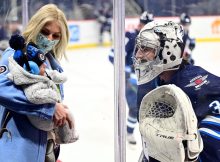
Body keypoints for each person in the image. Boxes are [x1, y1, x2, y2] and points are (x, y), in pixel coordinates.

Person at [133, 20, 220, 162]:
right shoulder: (153, 82)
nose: (138, 55)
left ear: (168, 51)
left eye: (145, 48)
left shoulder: (192, 88)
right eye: (138, 48)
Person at [0, 4, 71, 162]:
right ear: (35, 27)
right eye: (45, 32)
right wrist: (48, 109)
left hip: (45, 150)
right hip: (17, 151)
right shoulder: (15, 56)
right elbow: (1, 89)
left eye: (56, 35)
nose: (49, 39)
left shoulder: (54, 65)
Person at [6, 37, 78, 147]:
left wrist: (60, 76)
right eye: (41, 65)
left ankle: (62, 136)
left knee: (65, 112)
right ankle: (67, 137)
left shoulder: (38, 73)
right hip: (41, 120)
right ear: (31, 68)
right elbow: (33, 96)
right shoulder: (31, 84)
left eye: (55, 35)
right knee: (67, 114)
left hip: (45, 118)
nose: (45, 65)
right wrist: (54, 101)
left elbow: (50, 74)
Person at [109, 11, 154, 145]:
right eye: (146, 25)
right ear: (140, 25)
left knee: (148, 107)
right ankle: (129, 132)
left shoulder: (153, 40)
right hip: (130, 80)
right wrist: (125, 70)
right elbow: (112, 56)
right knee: (135, 107)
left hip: (146, 79)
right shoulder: (130, 36)